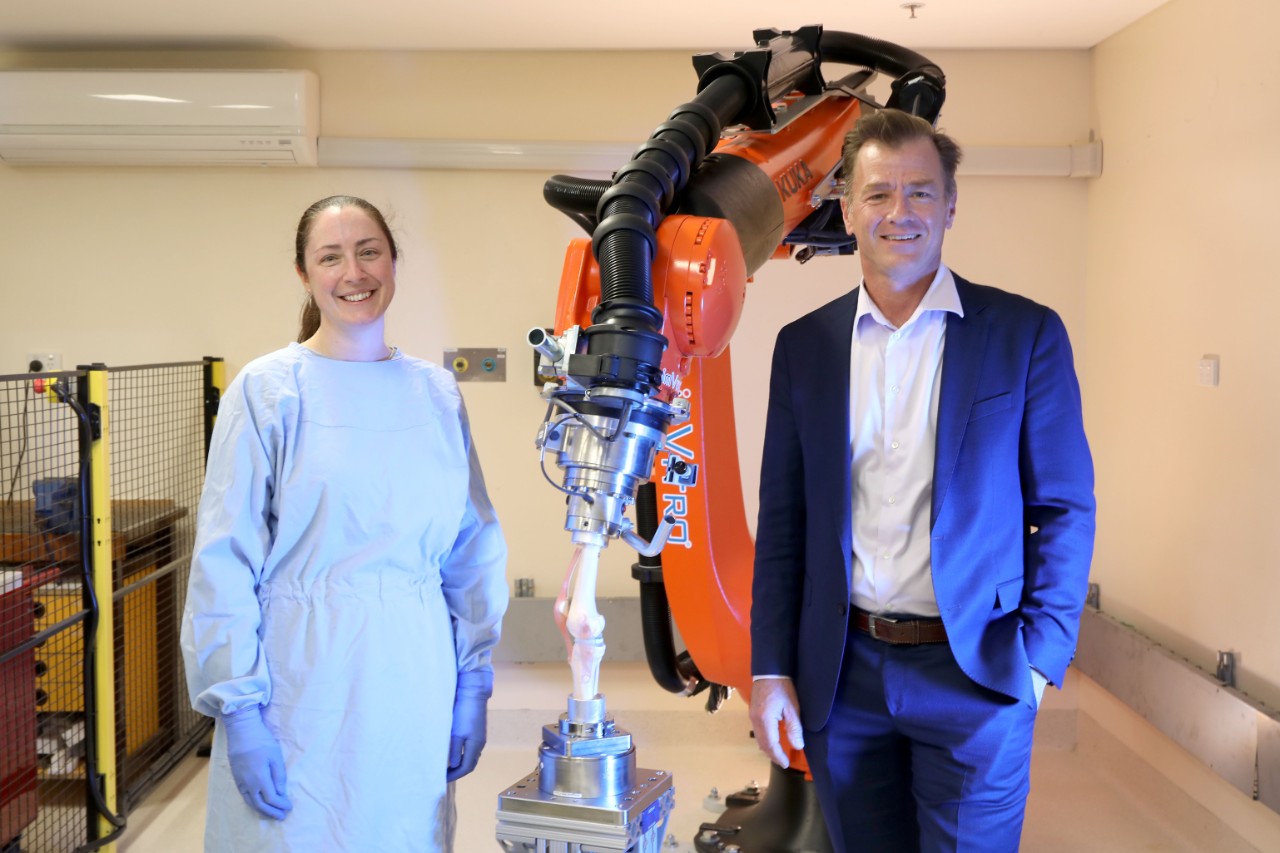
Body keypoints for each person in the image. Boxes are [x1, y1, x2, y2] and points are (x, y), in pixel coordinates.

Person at [747, 109, 1096, 852]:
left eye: (920, 193)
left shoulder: (1024, 334)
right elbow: (784, 521)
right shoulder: (803, 347)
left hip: (978, 673)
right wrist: (772, 668)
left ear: (950, 206)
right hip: (845, 676)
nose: (898, 213)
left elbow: (1064, 508)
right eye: (878, 194)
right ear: (846, 207)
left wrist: (1038, 660)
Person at [181, 195, 508, 852]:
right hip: (301, 683)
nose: (353, 271)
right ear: (305, 275)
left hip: (412, 677)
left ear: (393, 261)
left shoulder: (436, 394)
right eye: (330, 256)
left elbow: (471, 543)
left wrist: (472, 681)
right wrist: (240, 712)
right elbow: (225, 557)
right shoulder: (269, 390)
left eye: (369, 251)